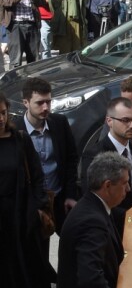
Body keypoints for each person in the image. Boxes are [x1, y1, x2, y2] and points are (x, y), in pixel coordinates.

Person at [0, 93, 55, 288]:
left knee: (26, 270)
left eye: (3, 113)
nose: (0, 118)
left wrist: (36, 208)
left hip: (21, 218)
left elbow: (38, 176)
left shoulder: (20, 140)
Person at [57, 151, 129, 288]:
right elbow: (91, 280)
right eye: (125, 183)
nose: (128, 189)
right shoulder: (92, 222)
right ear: (107, 185)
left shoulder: (93, 204)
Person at [14, 78, 78, 235]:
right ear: (26, 103)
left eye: (48, 102)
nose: (45, 107)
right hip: (34, 204)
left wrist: (70, 195)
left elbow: (71, 159)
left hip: (60, 198)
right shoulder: (16, 131)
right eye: (39, 103)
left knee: (72, 244)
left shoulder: (60, 123)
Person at [79, 97, 132, 236]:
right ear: (109, 121)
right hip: (110, 228)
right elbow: (93, 197)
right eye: (125, 120)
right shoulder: (94, 155)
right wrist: (129, 216)